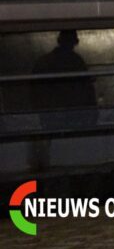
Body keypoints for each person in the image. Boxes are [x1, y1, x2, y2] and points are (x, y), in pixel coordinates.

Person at [30, 30, 97, 169]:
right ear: (74, 42)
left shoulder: (45, 61)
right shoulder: (76, 62)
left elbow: (35, 93)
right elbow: (87, 90)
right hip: (73, 120)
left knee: (58, 162)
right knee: (74, 161)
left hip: (53, 119)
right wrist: (92, 114)